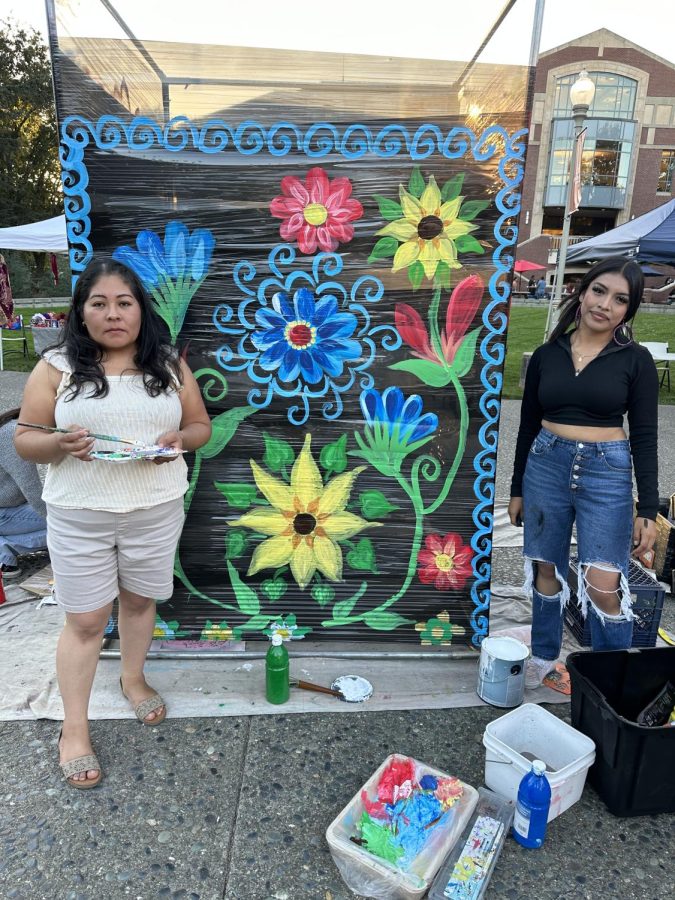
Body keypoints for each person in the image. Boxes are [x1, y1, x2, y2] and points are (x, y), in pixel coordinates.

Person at [15, 257, 212, 789]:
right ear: (81, 312)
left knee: (140, 601)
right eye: (98, 303)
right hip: (81, 515)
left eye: (124, 303)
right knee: (84, 621)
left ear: (141, 311)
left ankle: (132, 678)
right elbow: (25, 437)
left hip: (155, 509)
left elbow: (199, 427)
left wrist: (179, 441)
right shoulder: (56, 367)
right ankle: (73, 730)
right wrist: (57, 444)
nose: (112, 314)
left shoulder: (167, 366)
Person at [508, 257, 658, 688]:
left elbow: (645, 437)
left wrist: (646, 507)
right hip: (545, 465)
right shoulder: (545, 355)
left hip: (606, 474)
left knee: (602, 583)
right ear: (582, 290)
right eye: (599, 291)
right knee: (546, 570)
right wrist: (517, 487)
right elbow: (527, 425)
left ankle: (610, 681)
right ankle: (543, 659)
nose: (605, 304)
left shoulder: (636, 361)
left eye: (620, 299)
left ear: (628, 311)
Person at [0, 408, 48, 579]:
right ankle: (6, 546)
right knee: (74, 525)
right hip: (4, 513)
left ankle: (7, 545)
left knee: (78, 524)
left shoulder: (10, 428)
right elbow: (31, 488)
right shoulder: (11, 434)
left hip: (10, 508)